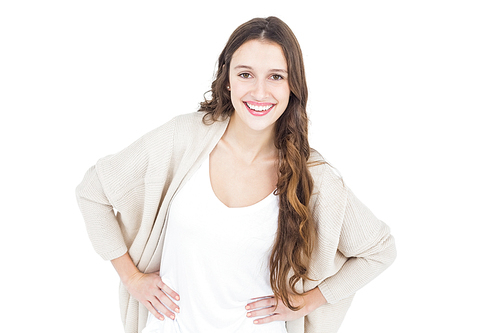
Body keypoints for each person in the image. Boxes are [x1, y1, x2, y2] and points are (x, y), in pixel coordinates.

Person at [76, 16, 396, 333]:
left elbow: (380, 250)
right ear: (228, 79)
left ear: (293, 85)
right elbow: (93, 191)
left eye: (276, 77)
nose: (259, 92)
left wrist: (309, 300)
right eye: (246, 74)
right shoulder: (183, 139)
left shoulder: (314, 177)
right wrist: (131, 278)